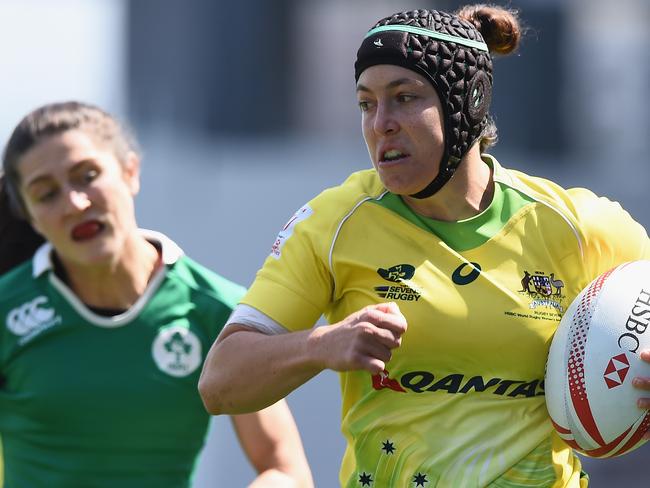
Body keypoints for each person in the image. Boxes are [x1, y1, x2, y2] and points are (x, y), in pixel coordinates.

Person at [198, 4, 650, 487]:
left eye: (404, 97)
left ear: (468, 101)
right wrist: (322, 345)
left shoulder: (573, 224)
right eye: (366, 103)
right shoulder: (334, 224)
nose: (381, 124)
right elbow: (221, 383)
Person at [0, 101, 314, 488]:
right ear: (29, 215)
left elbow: (285, 469)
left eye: (88, 175)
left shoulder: (215, 309)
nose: (74, 203)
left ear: (130, 171)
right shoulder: (6, 310)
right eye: (46, 194)